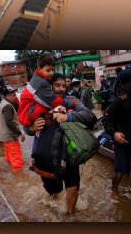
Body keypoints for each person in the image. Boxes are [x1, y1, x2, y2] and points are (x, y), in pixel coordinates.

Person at [28, 73, 97, 214]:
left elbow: (90, 116)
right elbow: (25, 128)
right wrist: (32, 127)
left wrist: (68, 116)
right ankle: (52, 208)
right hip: (46, 156)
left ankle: (70, 216)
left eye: (64, 86)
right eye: (57, 85)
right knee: (53, 191)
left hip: (70, 152)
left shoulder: (71, 100)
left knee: (73, 187)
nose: (61, 89)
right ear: (49, 87)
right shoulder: (39, 104)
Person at [102, 67, 131, 190]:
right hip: (122, 139)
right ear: (122, 84)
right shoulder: (116, 100)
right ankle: (114, 192)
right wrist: (114, 134)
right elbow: (106, 120)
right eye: (129, 86)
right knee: (119, 170)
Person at [18, 54, 63, 130]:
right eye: (48, 70)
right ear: (39, 69)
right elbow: (54, 101)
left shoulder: (38, 79)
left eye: (53, 70)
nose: (51, 73)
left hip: (25, 114)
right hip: (27, 115)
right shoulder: (41, 83)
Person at [0, 86, 25, 171]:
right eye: (13, 95)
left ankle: (10, 175)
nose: (15, 97)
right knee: (17, 162)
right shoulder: (8, 106)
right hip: (10, 137)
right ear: (8, 96)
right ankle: (18, 177)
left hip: (4, 137)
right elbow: (9, 122)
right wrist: (19, 133)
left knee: (9, 157)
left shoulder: (2, 103)